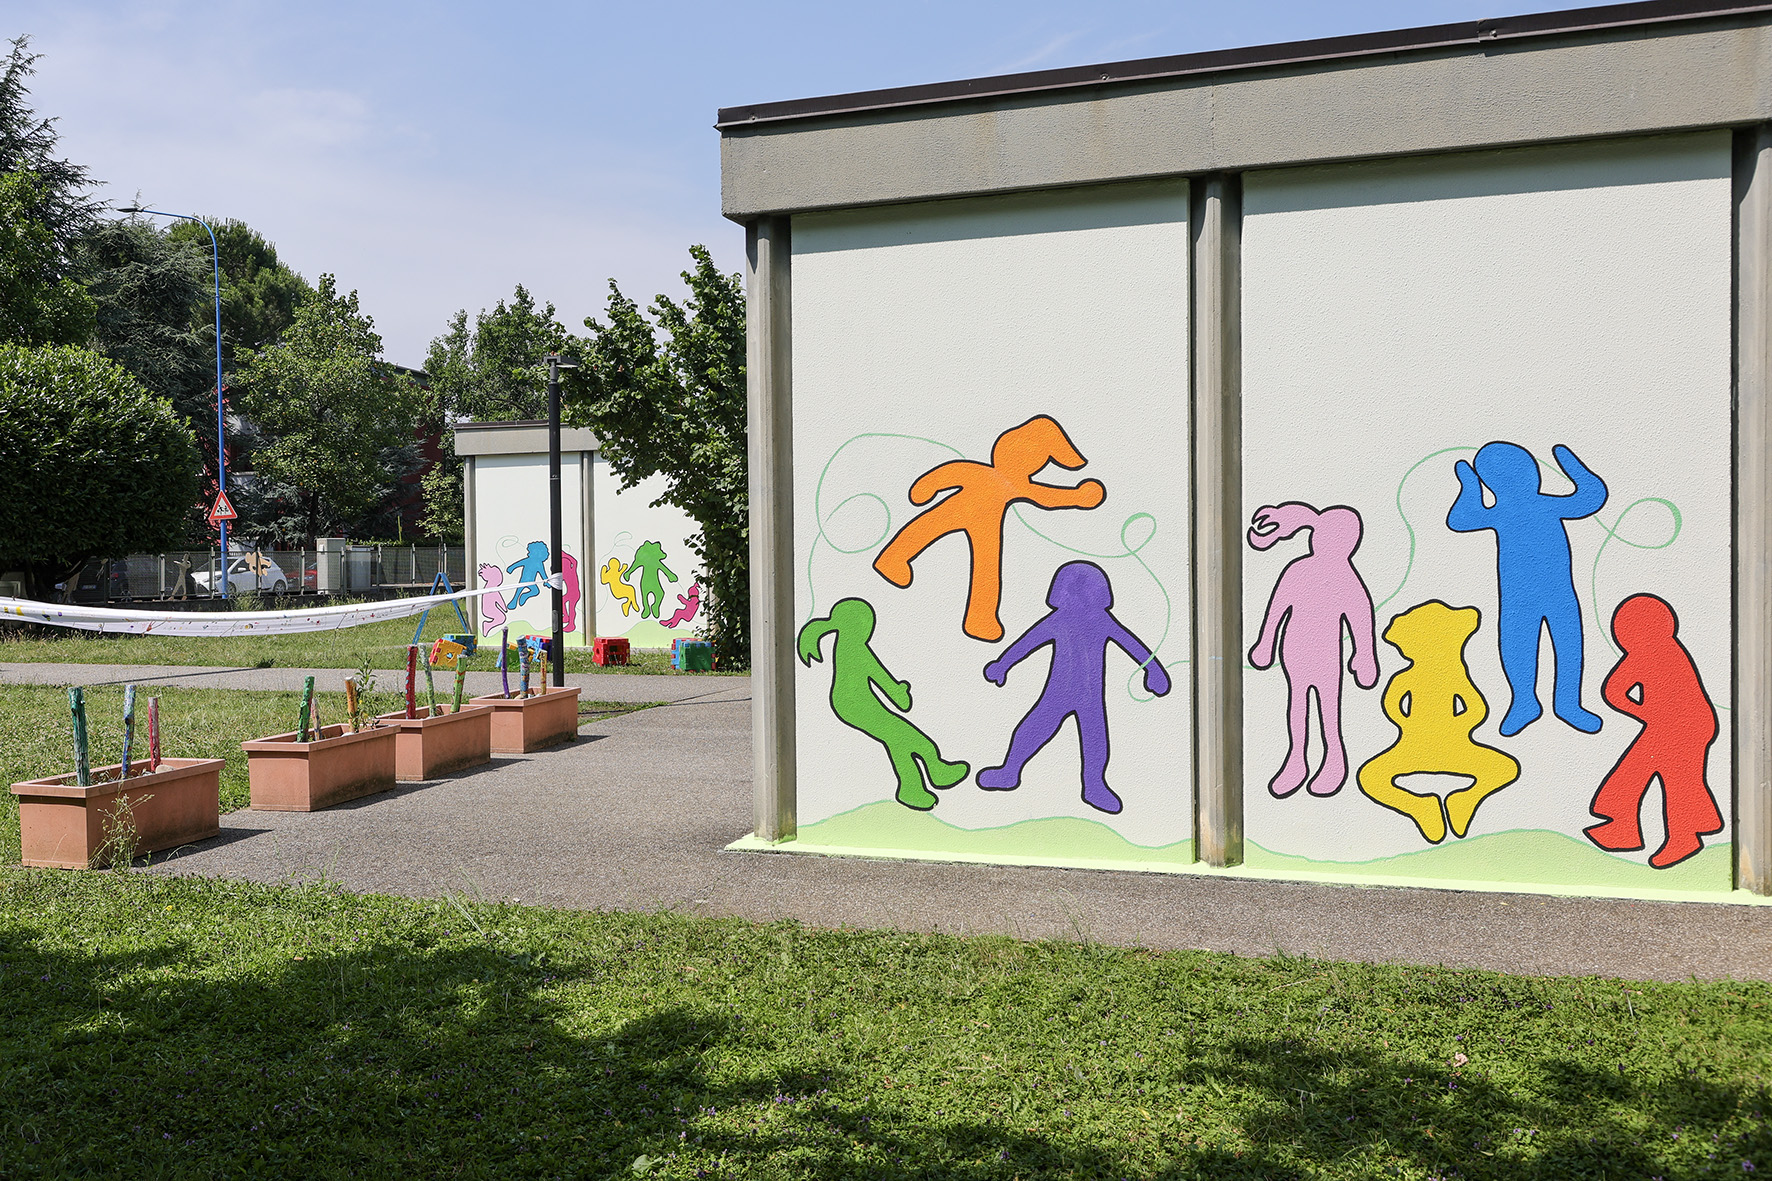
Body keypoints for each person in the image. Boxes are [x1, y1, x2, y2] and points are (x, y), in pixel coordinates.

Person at [873, 415, 1106, 642]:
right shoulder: (985, 474)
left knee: (984, 566)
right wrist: (926, 487)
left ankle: (980, 619)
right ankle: (893, 561)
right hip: (964, 512)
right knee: (930, 531)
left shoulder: (1014, 484)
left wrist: (1078, 497)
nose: (1020, 456)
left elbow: (1046, 496)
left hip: (986, 523)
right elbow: (949, 474)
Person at [976, 561, 1169, 815]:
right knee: (1033, 730)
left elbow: (1132, 645)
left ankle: (1093, 785)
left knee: (1093, 740)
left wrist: (1153, 670)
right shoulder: (1061, 620)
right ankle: (1010, 771)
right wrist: (1003, 665)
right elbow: (1027, 643)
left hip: (1087, 697)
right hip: (1059, 694)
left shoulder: (1098, 621)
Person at [1447, 441, 1607, 736]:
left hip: (1557, 596)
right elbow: (1459, 520)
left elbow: (1592, 497)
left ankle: (1567, 703)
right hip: (1521, 599)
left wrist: (1470, 484)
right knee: (1520, 647)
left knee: (1567, 645)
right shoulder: (1514, 511)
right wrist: (1469, 485)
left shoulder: (1531, 507)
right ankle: (1525, 701)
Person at [1356, 600, 1520, 844]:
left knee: (1506, 769)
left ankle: (1464, 799)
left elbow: (1475, 709)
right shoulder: (1410, 677)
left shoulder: (1452, 675)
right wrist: (1413, 725)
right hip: (1417, 747)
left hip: (1447, 747)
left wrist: (1450, 727)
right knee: (1370, 778)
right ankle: (1420, 806)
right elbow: (1475, 710)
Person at [1247, 502, 1380, 798]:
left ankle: (1334, 761)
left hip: (1327, 658)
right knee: (1298, 706)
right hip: (1294, 654)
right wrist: (1265, 643)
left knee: (1328, 711)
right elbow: (1277, 610)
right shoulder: (1297, 571)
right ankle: (1297, 760)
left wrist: (1365, 656)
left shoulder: (1346, 579)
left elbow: (1361, 620)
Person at [1585, 593, 1724, 869]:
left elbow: (1615, 691)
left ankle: (1682, 837)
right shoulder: (1664, 650)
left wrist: (1642, 711)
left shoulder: (1652, 653)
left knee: (1674, 780)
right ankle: (1627, 828)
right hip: (1677, 726)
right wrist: (1647, 713)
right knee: (1644, 774)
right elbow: (1615, 691)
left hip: (1684, 728)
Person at [798, 598, 969, 811]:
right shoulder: (858, 651)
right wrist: (900, 694)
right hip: (856, 705)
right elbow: (884, 681)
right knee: (904, 737)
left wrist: (897, 693)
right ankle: (926, 777)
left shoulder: (846, 647)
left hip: (852, 703)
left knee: (899, 739)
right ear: (862, 626)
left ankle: (927, 776)